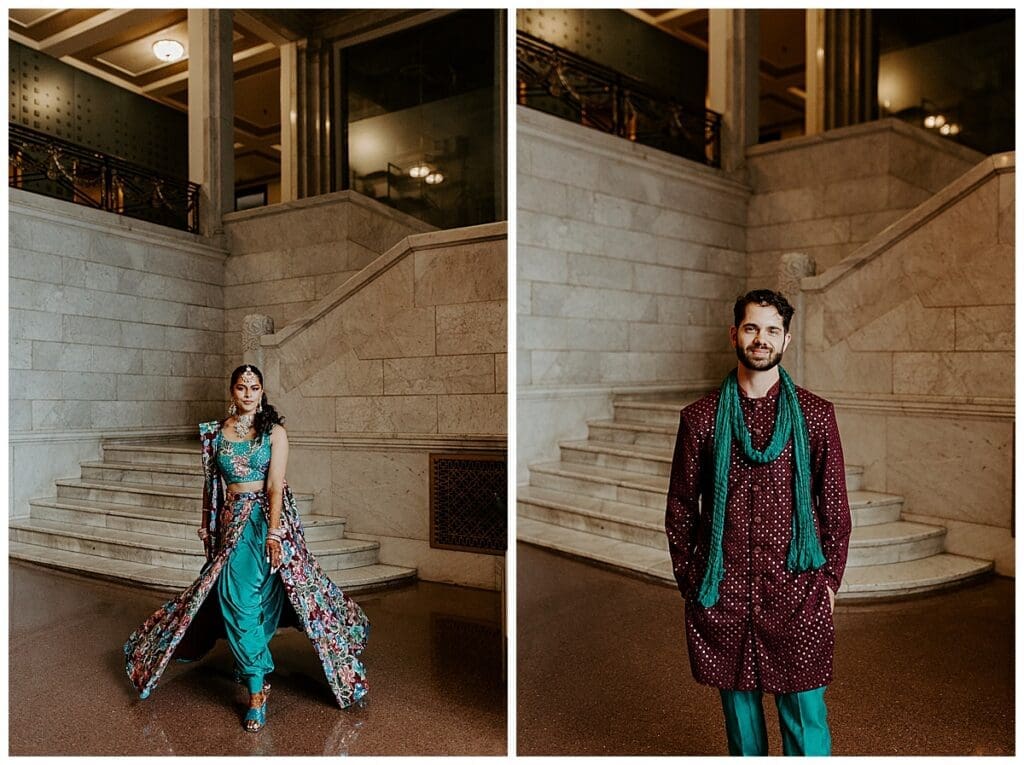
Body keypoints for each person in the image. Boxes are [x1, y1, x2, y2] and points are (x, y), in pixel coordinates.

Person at [124, 364, 370, 732]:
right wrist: (208, 528)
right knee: (244, 597)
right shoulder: (214, 435)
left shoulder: (274, 433)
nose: (248, 394)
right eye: (242, 387)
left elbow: (275, 487)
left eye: (255, 387)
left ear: (263, 391)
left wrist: (273, 534)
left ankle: (256, 690)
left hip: (260, 522)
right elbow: (211, 488)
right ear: (232, 392)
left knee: (240, 596)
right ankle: (250, 659)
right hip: (229, 523)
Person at [665, 289, 852, 756]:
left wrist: (828, 581)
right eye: (752, 328)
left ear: (786, 340)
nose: (761, 339)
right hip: (723, 593)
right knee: (742, 729)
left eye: (772, 330)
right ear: (735, 334)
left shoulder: (815, 416)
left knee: (807, 721)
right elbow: (682, 509)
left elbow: (834, 510)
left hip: (796, 590)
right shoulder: (702, 419)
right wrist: (692, 581)